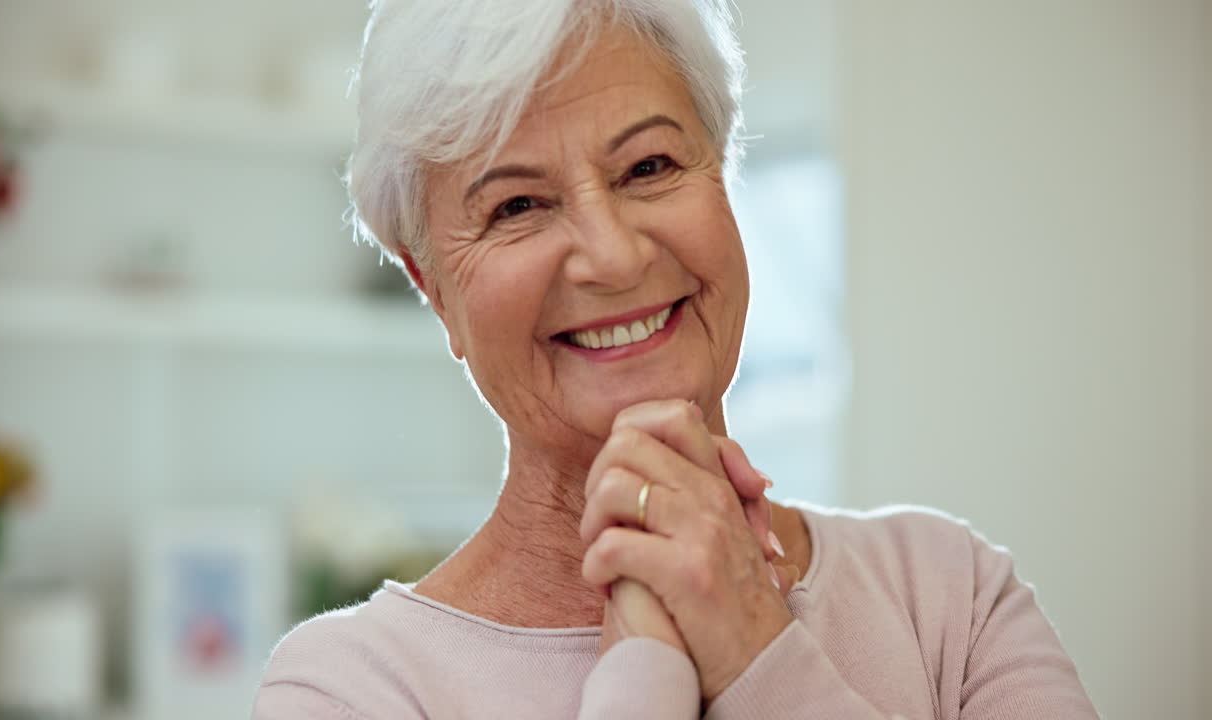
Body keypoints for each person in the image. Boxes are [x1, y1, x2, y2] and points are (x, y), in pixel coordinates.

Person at [252, 1, 1099, 717]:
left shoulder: (946, 591)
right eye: (517, 205)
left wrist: (750, 644)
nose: (614, 258)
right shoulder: (350, 690)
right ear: (433, 289)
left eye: (649, 165)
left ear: (725, 180)